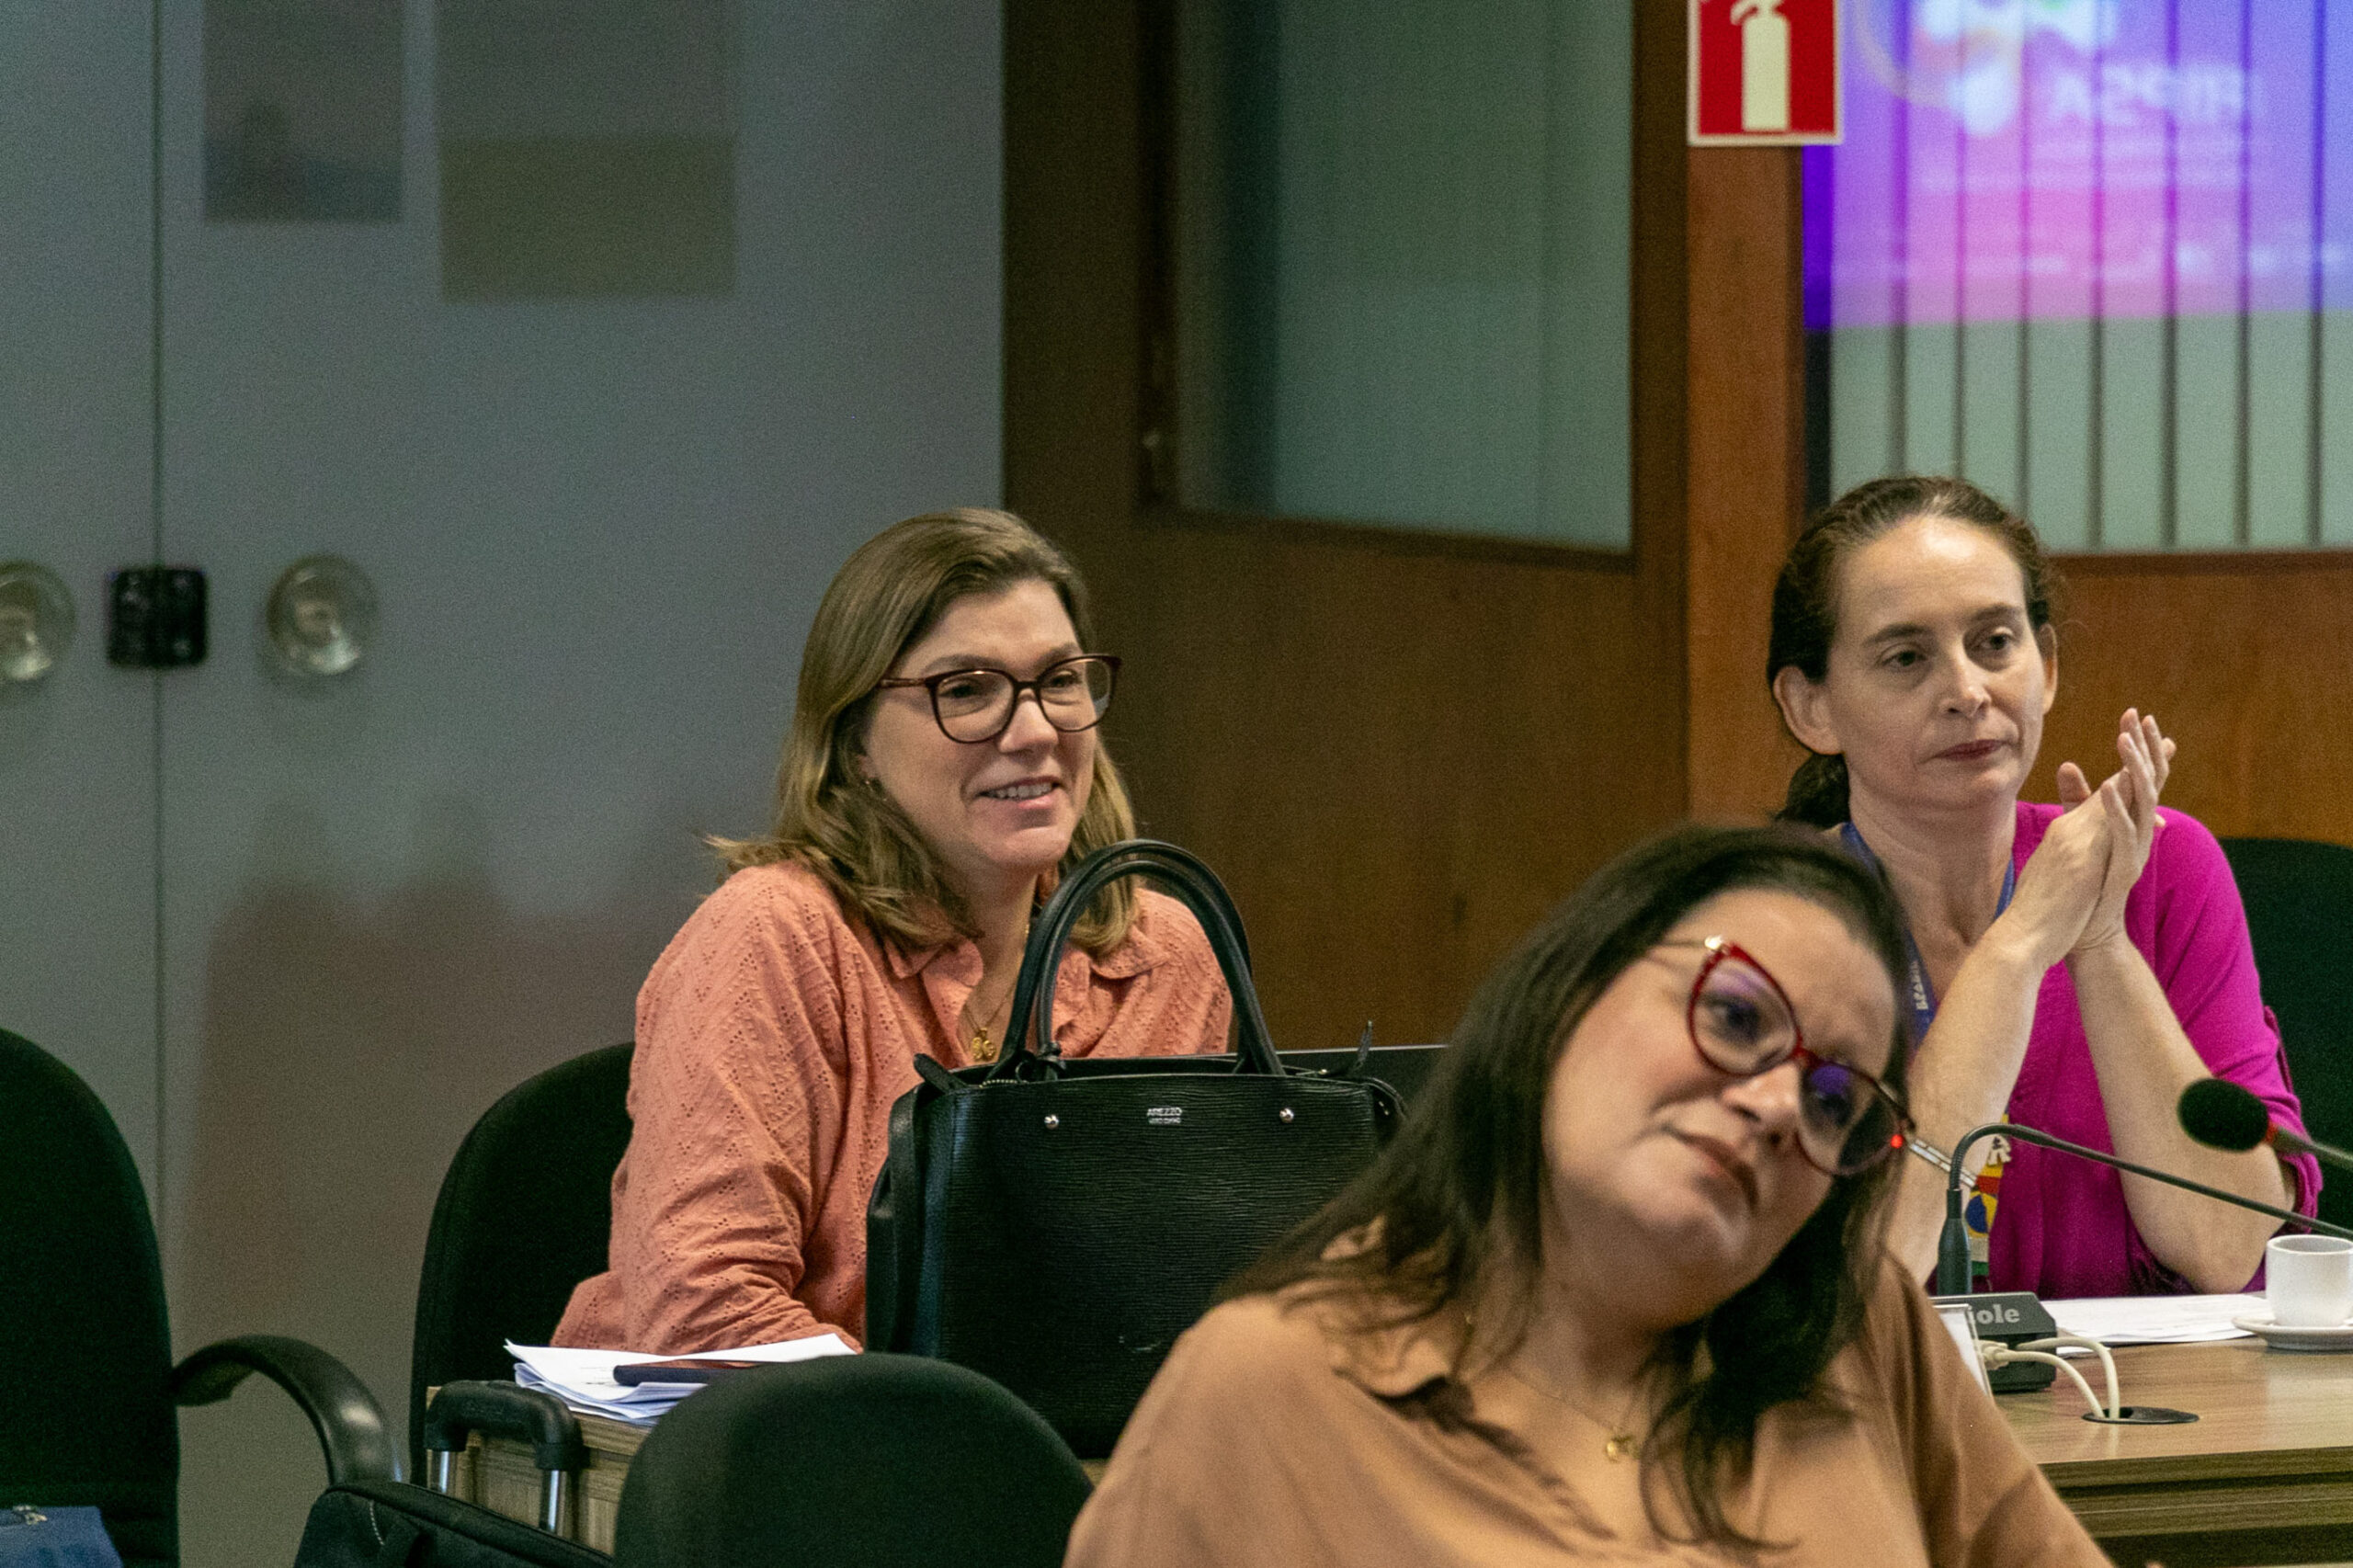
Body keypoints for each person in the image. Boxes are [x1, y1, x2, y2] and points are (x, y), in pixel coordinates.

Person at [1067, 826, 2106, 1567]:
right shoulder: (1269, 1391)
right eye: (1737, 1017)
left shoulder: (1855, 1329)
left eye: (1835, 1101)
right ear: (1571, 991)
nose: (1776, 1106)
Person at [556, 508, 1233, 1352]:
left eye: (1060, 681)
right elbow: (705, 1312)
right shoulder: (776, 935)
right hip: (762, 1428)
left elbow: (1174, 1289)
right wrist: (957, 1423)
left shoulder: (1165, 953)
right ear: (857, 745)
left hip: (1049, 1432)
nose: (1034, 732)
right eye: (966, 690)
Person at [1766, 474, 2316, 1297]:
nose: (1967, 693)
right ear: (1811, 707)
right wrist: (2022, 942)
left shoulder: (2162, 867)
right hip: (1885, 1380)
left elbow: (2226, 1247)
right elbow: (1855, 1283)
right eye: (1906, 658)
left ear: (2047, 666)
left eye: (1994, 643)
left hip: (2144, 1381)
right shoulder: (1771, 921)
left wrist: (2101, 939)